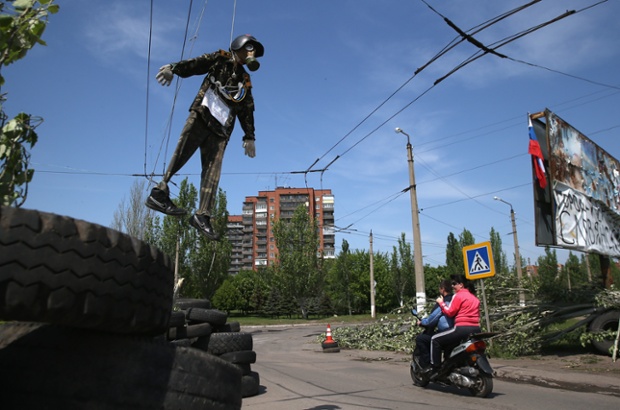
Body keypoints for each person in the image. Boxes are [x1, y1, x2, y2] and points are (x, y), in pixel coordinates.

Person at [145, 34, 265, 240]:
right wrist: (174, 68)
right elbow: (197, 64)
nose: (250, 55)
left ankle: (202, 215)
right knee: (182, 152)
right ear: (239, 46)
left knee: (213, 172)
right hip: (202, 114)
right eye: (249, 50)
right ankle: (159, 192)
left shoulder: (245, 80)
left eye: (253, 52)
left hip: (221, 129)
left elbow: (247, 109)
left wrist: (250, 136)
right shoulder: (220, 58)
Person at [429, 274, 481, 376]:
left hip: (461, 328)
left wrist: (441, 303)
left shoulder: (458, 296)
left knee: (435, 339)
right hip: (476, 329)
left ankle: (436, 368)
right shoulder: (474, 298)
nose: (452, 286)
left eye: (454, 284)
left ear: (461, 285)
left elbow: (450, 312)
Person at [415, 279, 454, 370]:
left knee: (421, 339)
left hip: (447, 332)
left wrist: (422, 322)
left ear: (443, 289)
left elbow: (432, 319)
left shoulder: (444, 302)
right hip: (459, 330)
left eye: (439, 289)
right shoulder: (455, 299)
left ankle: (430, 366)